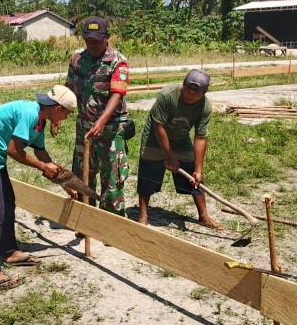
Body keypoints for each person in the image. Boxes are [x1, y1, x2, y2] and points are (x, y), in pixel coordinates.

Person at [0, 85, 78, 290]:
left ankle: (9, 251)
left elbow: (42, 154)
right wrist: (43, 167)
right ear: (58, 108)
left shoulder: (40, 121)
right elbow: (14, 151)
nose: (66, 118)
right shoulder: (30, 115)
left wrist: (64, 183)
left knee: (7, 205)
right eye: (68, 114)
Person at [136, 69, 221, 229]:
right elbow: (158, 126)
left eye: (195, 94)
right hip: (155, 137)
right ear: (183, 85)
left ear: (204, 93)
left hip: (180, 139)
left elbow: (201, 137)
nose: (190, 96)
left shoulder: (205, 106)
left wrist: (199, 169)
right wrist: (169, 157)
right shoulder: (167, 95)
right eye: (187, 91)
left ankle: (203, 216)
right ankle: (143, 215)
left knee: (192, 175)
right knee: (148, 173)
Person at [66, 16, 130, 216]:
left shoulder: (118, 62)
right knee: (83, 174)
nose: (92, 44)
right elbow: (68, 89)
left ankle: (110, 222)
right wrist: (58, 114)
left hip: (111, 128)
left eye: (97, 40)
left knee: (112, 176)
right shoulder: (77, 59)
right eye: (88, 40)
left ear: (107, 37)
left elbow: (117, 94)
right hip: (84, 127)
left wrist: (101, 122)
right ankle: (85, 217)